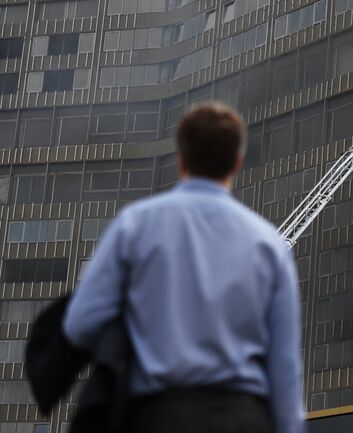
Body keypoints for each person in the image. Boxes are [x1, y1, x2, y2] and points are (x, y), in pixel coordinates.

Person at [63, 103, 305, 433]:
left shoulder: (134, 226)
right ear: (237, 162)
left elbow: (80, 323)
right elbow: (285, 367)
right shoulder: (269, 245)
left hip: (156, 415)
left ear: (180, 158)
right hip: (243, 418)